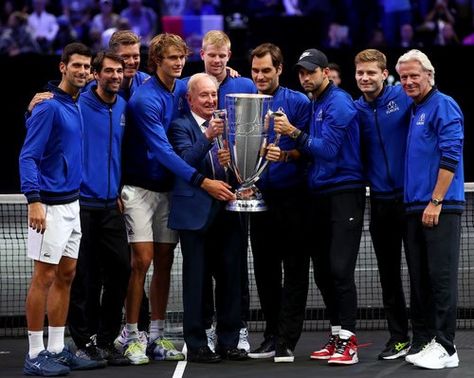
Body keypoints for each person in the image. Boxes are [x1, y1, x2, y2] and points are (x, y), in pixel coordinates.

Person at [119, 33, 235, 365]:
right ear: (158, 61)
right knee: (141, 260)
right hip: (139, 188)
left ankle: (156, 335)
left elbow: (204, 85)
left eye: (182, 57)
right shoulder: (146, 100)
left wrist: (231, 73)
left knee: (166, 262)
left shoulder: (178, 87)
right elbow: (165, 153)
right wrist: (203, 181)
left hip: (168, 190)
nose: (179, 63)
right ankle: (132, 335)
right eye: (172, 58)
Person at [274, 48, 365, 365]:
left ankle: (349, 343)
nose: (304, 77)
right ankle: (338, 335)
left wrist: (293, 133)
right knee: (326, 271)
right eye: (300, 73)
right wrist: (288, 153)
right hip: (320, 194)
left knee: (340, 269)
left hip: (344, 192)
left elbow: (326, 150)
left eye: (310, 72)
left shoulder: (338, 103)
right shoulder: (316, 103)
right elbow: (313, 152)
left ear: (325, 72)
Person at [19, 42, 100, 376]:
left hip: (72, 204)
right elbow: (28, 155)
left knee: (66, 276)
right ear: (62, 66)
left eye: (86, 67)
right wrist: (34, 199)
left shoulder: (76, 102)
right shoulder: (49, 106)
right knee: (44, 277)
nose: (82, 71)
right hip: (48, 206)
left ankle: (56, 348)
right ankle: (35, 354)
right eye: (76, 65)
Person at [168, 73, 247, 363]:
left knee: (230, 280)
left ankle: (229, 341)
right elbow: (183, 162)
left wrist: (238, 177)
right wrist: (207, 137)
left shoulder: (227, 126)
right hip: (196, 216)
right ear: (190, 99)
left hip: (227, 213)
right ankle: (198, 343)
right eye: (204, 95)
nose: (211, 100)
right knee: (196, 282)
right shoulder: (180, 126)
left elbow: (233, 168)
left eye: (214, 95)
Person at [395, 49, 464, 370]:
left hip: (440, 207)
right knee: (421, 280)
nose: (408, 81)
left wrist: (436, 200)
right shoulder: (414, 110)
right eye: (404, 77)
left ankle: (447, 347)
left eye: (414, 76)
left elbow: (451, 155)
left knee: (441, 278)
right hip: (414, 209)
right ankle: (431, 342)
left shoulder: (444, 105)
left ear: (429, 75)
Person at [245, 42, 310, 363]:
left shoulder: (298, 102)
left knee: (294, 270)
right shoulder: (244, 101)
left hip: (293, 199)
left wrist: (285, 154)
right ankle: (270, 335)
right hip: (258, 199)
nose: (259, 75)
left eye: (266, 70)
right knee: (265, 271)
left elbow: (309, 151)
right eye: (255, 70)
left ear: (279, 69)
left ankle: (286, 340)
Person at [192, 29, 256, 353]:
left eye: (222, 56)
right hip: (201, 191)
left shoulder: (244, 85)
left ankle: (237, 329)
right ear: (201, 54)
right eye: (211, 55)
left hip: (236, 189)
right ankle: (204, 329)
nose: (216, 60)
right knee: (202, 269)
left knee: (235, 268)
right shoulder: (188, 86)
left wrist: (246, 177)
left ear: (229, 57)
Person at [66, 50, 130, 367]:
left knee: (121, 271)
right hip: (82, 205)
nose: (115, 76)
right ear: (96, 73)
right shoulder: (77, 103)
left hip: (111, 206)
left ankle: (105, 340)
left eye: (119, 71)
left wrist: (117, 189)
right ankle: (84, 342)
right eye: (109, 71)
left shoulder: (123, 107)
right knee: (84, 280)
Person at [353, 49, 412, 360]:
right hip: (379, 202)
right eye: (360, 73)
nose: (365, 78)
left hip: (411, 201)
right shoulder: (356, 110)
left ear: (384, 73)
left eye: (371, 73)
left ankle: (428, 336)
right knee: (388, 275)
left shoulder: (404, 97)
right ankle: (399, 337)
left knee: (421, 273)